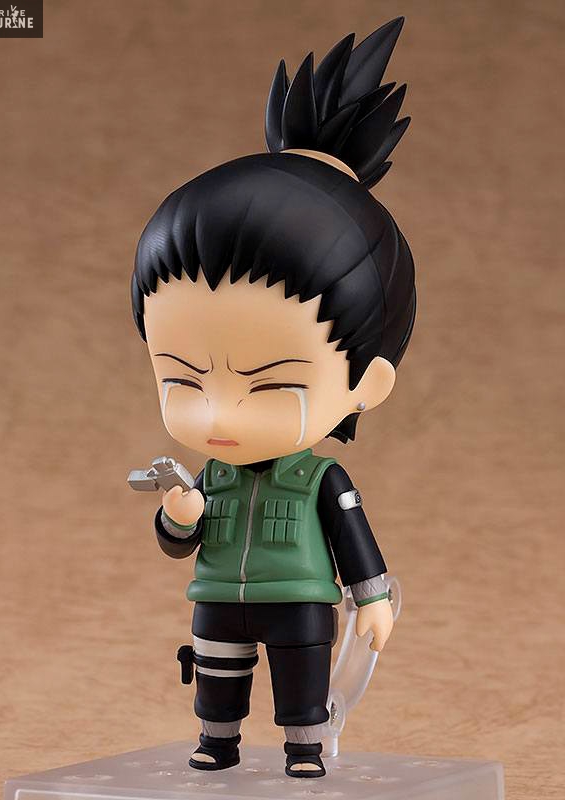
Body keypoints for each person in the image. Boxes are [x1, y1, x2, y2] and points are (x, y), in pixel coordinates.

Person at [131, 17, 415, 779]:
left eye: (268, 382)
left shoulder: (321, 478)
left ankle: (303, 746)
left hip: (300, 598)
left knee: (301, 679)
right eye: (183, 379)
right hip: (218, 595)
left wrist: (373, 598)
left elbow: (354, 538)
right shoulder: (212, 475)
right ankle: (217, 738)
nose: (218, 412)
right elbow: (178, 541)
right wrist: (180, 512)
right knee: (216, 671)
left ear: (366, 383)